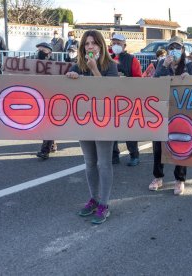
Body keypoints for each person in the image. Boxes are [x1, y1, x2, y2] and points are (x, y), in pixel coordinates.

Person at [66, 30, 119, 224]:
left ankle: (104, 204)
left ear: (101, 46)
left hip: (105, 121)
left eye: (93, 43)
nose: (90, 47)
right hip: (84, 120)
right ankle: (94, 199)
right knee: (89, 163)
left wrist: (95, 69)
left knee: (104, 163)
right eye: (86, 44)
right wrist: (71, 76)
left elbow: (111, 91)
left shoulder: (111, 66)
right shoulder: (78, 65)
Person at [149, 36, 192, 195]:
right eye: (171, 47)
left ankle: (179, 179)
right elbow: (155, 83)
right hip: (162, 111)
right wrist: (163, 66)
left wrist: (189, 79)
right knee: (158, 145)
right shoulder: (161, 63)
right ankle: (158, 177)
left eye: (177, 47)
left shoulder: (189, 65)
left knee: (180, 145)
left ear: (183, 50)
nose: (174, 50)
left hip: (182, 111)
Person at [109, 33, 143, 166]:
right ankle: (113, 155)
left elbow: (138, 79)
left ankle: (134, 155)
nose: (116, 45)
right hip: (110, 99)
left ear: (124, 45)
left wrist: (125, 79)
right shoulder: (107, 58)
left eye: (119, 43)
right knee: (111, 129)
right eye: (114, 43)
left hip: (128, 99)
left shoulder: (132, 60)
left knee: (129, 129)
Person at [35, 42, 58, 160]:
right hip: (39, 97)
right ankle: (52, 144)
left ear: (49, 52)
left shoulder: (55, 64)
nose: (40, 52)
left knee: (48, 124)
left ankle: (45, 151)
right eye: (39, 50)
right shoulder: (33, 64)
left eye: (43, 50)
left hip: (52, 97)